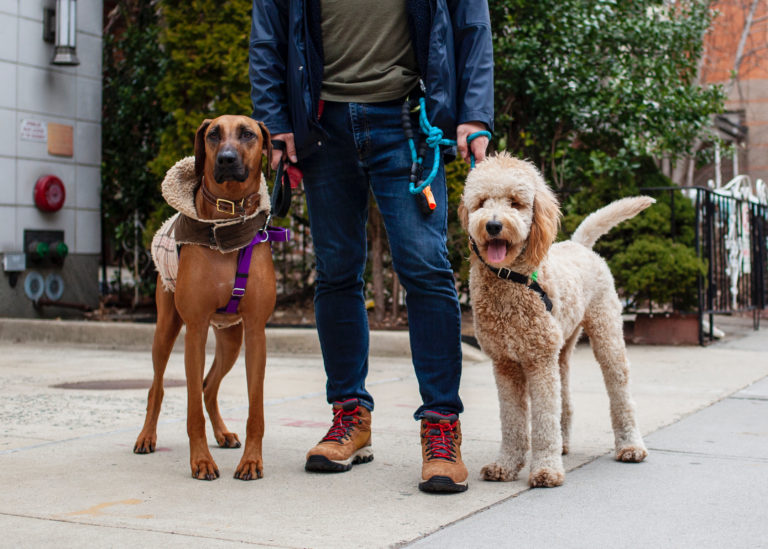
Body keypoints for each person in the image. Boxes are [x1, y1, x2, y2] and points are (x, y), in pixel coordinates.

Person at [249, 0, 493, 493]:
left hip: (408, 118)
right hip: (322, 125)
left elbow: (472, 25)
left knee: (425, 268)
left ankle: (442, 426)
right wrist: (274, 119)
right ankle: (350, 417)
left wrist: (474, 114)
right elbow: (267, 35)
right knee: (337, 272)